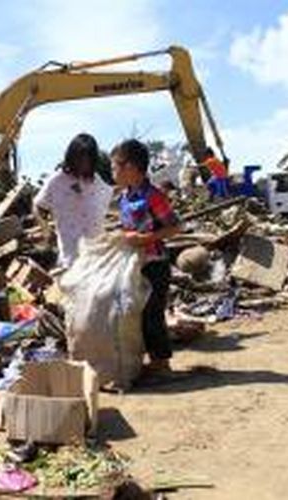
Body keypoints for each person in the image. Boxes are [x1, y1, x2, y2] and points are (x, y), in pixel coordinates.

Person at [111, 139, 179, 376]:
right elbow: (126, 227)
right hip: (133, 265)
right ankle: (150, 361)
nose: (113, 172)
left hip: (155, 264)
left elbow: (173, 227)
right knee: (137, 313)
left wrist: (145, 239)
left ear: (129, 167)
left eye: (115, 167)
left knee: (152, 314)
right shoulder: (124, 197)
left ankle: (162, 364)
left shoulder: (154, 196)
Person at [33, 133, 113, 268]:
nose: (83, 163)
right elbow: (37, 206)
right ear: (71, 156)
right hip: (70, 257)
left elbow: (112, 197)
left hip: (96, 256)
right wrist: (45, 228)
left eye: (87, 159)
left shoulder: (98, 183)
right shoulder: (57, 181)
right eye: (79, 158)